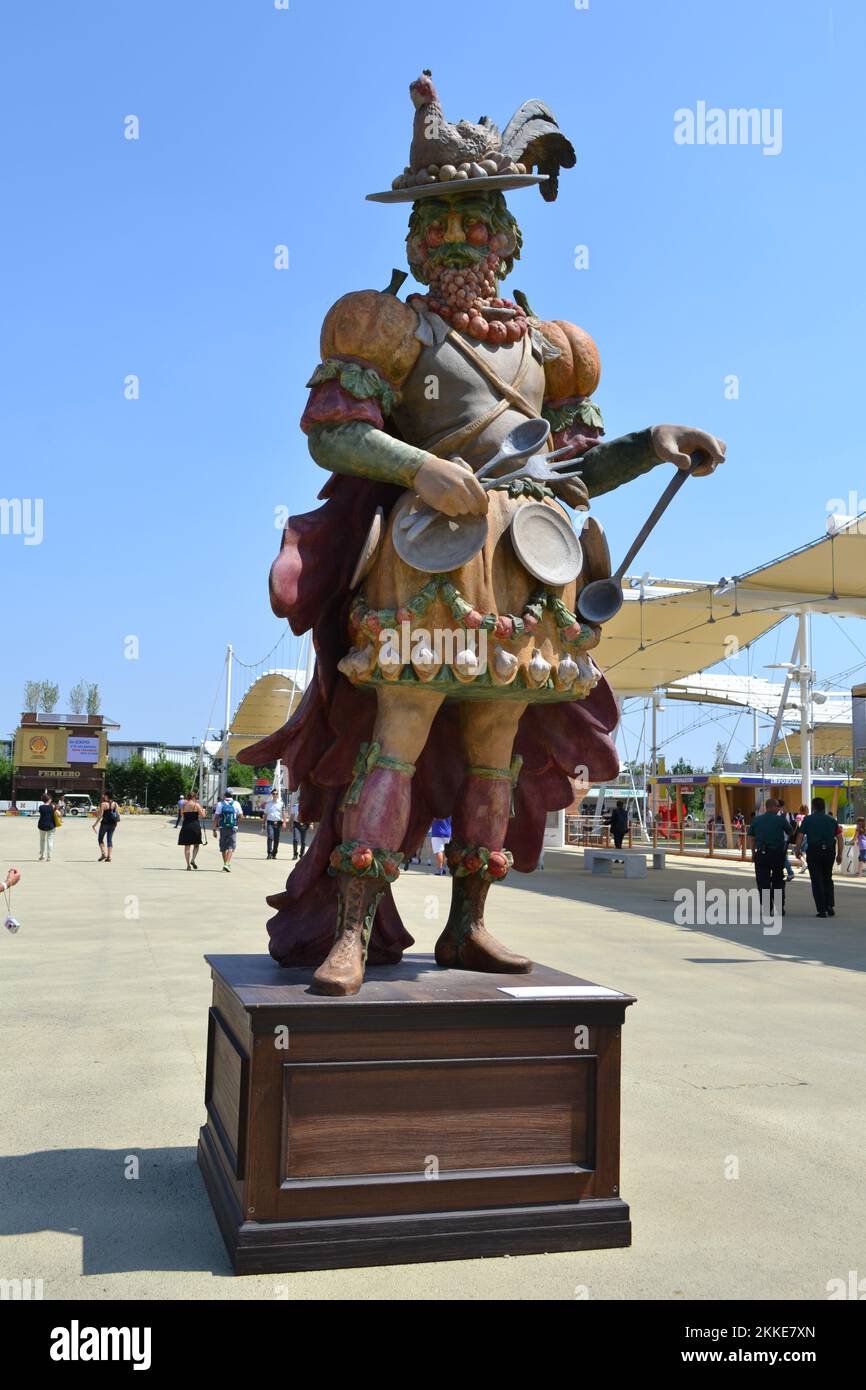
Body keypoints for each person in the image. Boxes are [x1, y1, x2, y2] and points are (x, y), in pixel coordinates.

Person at [794, 797, 844, 918]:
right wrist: (840, 854)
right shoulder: (832, 820)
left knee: (817, 880)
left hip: (814, 852)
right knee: (827, 878)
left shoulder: (808, 820)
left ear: (814, 807)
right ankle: (830, 906)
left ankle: (821, 909)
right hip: (829, 852)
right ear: (823, 807)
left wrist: (798, 849)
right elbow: (840, 838)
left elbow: (800, 835)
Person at [748, 797, 787, 919]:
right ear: (771, 807)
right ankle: (779, 907)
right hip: (777, 855)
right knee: (778, 881)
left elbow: (751, 838)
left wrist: (753, 852)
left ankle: (767, 907)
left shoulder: (757, 820)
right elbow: (790, 831)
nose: (779, 809)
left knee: (763, 881)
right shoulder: (780, 820)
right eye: (777, 806)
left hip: (762, 854)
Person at [213, 791, 243, 872]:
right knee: (231, 846)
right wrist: (237, 824)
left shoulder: (220, 804)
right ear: (232, 795)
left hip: (222, 827)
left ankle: (226, 864)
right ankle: (227, 864)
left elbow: (216, 817)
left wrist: (214, 829)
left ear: (224, 795)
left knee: (223, 847)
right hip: (233, 827)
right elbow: (241, 816)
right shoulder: (236, 803)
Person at [178, 793, 205, 870]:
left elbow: (182, 815)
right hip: (195, 826)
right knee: (196, 845)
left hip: (186, 826)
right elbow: (203, 815)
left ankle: (188, 865)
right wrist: (203, 810)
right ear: (193, 797)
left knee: (187, 846)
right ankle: (193, 859)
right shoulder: (196, 805)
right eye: (196, 797)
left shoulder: (184, 805)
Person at [94, 793, 120, 862]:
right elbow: (117, 815)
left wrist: (95, 824)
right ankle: (109, 856)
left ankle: (103, 854)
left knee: (100, 839)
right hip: (113, 824)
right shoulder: (115, 804)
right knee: (109, 839)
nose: (104, 796)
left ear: (107, 796)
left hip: (104, 824)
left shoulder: (103, 804)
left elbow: (100, 815)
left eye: (105, 795)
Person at [262, 789, 287, 860]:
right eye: (274, 794)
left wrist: (284, 822)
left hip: (278, 822)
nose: (275, 795)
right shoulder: (268, 804)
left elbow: (283, 813)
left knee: (276, 839)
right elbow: (265, 814)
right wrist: (263, 823)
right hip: (270, 822)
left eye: (276, 794)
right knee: (270, 837)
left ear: (278, 795)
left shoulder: (281, 803)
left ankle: (274, 853)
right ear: (272, 795)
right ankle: (269, 853)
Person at [37, 791, 57, 861]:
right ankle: (49, 857)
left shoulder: (41, 807)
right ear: (49, 799)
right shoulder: (52, 807)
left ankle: (42, 856)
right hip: (51, 825)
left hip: (42, 825)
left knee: (42, 840)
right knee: (50, 841)